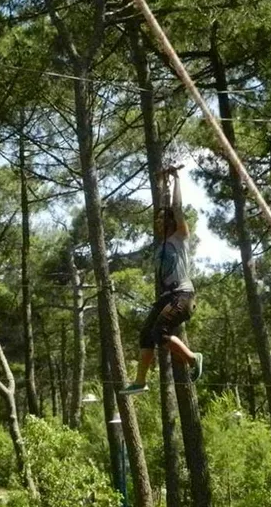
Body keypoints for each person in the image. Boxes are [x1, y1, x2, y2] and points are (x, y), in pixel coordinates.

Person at [120, 166, 203, 395]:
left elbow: (176, 208)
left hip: (183, 295)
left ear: (170, 224)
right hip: (167, 297)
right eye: (156, 222)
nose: (157, 225)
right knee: (146, 333)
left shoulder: (180, 238)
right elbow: (165, 206)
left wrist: (175, 180)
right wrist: (163, 184)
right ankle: (140, 381)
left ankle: (193, 358)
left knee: (161, 332)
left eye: (161, 221)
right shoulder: (161, 246)